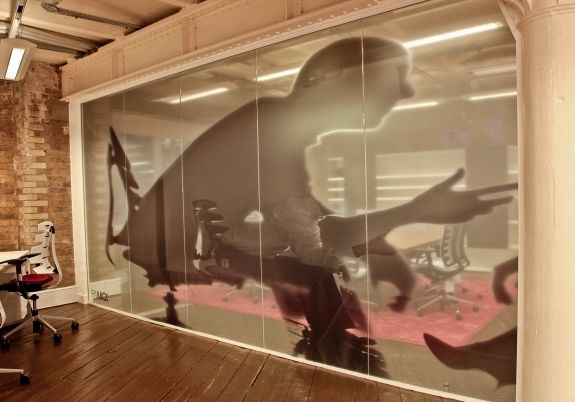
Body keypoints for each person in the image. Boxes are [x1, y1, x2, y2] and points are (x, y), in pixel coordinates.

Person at [108, 36, 516, 314]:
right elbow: (314, 246)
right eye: (397, 72)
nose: (407, 90)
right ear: (336, 76)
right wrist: (409, 213)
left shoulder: (278, 126)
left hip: (182, 261)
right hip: (167, 269)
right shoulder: (270, 128)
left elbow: (326, 228)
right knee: (328, 294)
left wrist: (413, 211)